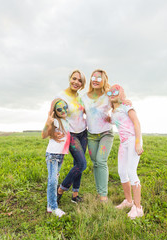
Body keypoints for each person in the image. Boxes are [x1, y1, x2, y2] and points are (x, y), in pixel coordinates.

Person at [108, 84, 144, 219]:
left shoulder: (127, 106)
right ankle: (129, 202)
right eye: (110, 92)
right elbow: (111, 121)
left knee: (131, 172)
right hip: (123, 144)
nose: (112, 93)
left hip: (133, 140)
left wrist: (137, 143)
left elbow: (136, 123)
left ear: (122, 93)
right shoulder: (114, 111)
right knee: (122, 172)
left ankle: (138, 208)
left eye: (116, 91)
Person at [81, 69, 114, 202]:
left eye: (99, 78)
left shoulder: (108, 95)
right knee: (95, 163)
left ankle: (103, 195)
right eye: (93, 77)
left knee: (101, 161)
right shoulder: (84, 97)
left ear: (104, 80)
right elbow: (78, 113)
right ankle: (99, 192)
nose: (95, 80)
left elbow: (118, 106)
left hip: (106, 134)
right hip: (91, 135)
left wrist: (126, 101)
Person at [56, 70, 87, 204]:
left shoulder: (80, 97)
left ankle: (75, 195)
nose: (76, 82)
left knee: (77, 164)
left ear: (82, 84)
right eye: (74, 79)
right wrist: (54, 131)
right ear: (70, 79)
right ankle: (61, 189)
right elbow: (54, 114)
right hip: (71, 134)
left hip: (83, 133)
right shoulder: (61, 96)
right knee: (82, 164)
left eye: (79, 80)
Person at [42, 98, 70, 217]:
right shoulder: (54, 121)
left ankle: (50, 204)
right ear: (55, 111)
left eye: (65, 107)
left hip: (61, 155)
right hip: (52, 154)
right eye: (59, 109)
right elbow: (43, 135)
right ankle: (54, 207)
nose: (63, 110)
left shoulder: (66, 121)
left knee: (54, 180)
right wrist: (48, 123)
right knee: (53, 181)